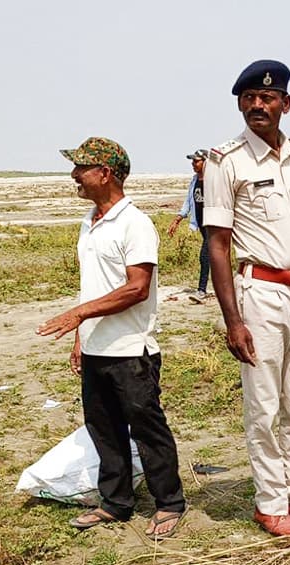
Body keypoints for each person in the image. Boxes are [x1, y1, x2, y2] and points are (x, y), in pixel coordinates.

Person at [202, 60, 290, 536]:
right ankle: (270, 503)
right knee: (264, 407)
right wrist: (233, 321)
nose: (256, 106)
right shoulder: (227, 160)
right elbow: (217, 245)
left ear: (285, 104)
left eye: (266, 99)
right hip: (259, 294)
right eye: (248, 99)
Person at [38, 136, 186, 540]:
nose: (74, 176)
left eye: (81, 169)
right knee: (103, 428)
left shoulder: (135, 223)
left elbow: (137, 288)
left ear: (105, 173)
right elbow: (93, 286)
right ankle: (116, 503)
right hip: (97, 347)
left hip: (130, 350)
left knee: (146, 427)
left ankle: (169, 503)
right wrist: (81, 338)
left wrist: (79, 314)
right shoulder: (90, 221)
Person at [168, 149, 212, 303]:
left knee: (205, 256)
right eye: (192, 161)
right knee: (216, 257)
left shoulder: (213, 180)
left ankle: (201, 290)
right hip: (201, 223)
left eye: (196, 161)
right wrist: (177, 219)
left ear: (205, 162)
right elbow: (188, 201)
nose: (193, 164)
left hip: (213, 224)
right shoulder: (195, 180)